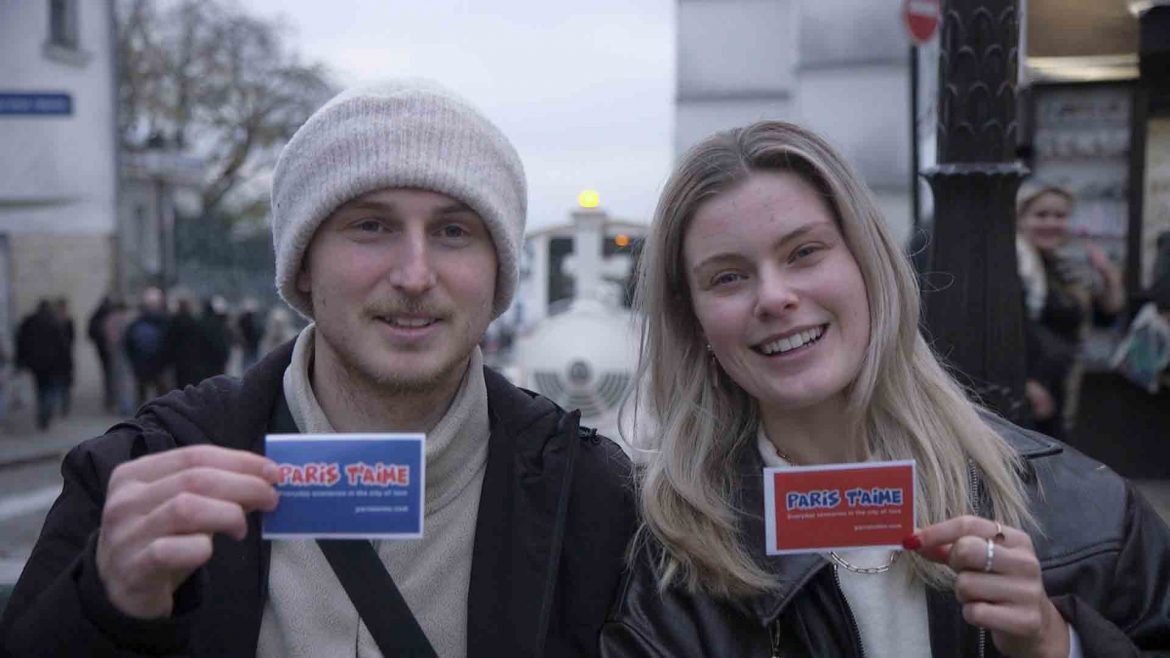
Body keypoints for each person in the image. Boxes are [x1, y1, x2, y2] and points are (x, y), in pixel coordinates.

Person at [0, 79, 634, 657]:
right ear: (302, 262)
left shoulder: (590, 496)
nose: (414, 275)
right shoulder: (149, 467)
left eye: (453, 232)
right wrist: (108, 608)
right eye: (370, 225)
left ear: (497, 272)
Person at [600, 122, 1170, 657]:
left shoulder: (1081, 513)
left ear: (870, 266)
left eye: (804, 252)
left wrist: (1056, 642)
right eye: (728, 276)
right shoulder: (660, 556)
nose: (773, 297)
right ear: (693, 320)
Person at [1016, 182, 1125, 438]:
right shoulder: (1018, 266)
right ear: (1020, 219)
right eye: (1041, 215)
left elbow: (1106, 316)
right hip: (1028, 393)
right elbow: (1006, 332)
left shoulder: (1065, 269)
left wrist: (1109, 276)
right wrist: (1028, 385)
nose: (1051, 223)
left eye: (1060, 216)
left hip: (1059, 387)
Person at [14, 299, 71, 430]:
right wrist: (66, 363)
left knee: (40, 389)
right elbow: (63, 345)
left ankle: (43, 413)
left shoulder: (29, 322)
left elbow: (21, 342)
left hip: (35, 363)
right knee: (49, 389)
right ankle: (46, 412)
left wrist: (20, 360)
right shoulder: (54, 322)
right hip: (52, 363)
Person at [122, 286, 173, 406]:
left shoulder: (137, 322)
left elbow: (128, 344)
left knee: (141, 396)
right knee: (162, 398)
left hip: (141, 365)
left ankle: (141, 418)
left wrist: (133, 361)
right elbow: (170, 344)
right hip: (159, 365)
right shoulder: (166, 322)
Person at [87, 294, 116, 411]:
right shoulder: (111, 314)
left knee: (107, 373)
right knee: (113, 374)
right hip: (111, 348)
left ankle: (109, 397)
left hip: (101, 349)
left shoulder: (97, 314)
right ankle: (112, 397)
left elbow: (90, 331)